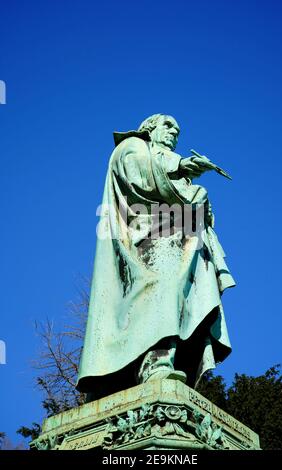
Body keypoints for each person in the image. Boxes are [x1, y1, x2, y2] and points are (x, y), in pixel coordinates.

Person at [76, 114, 235, 400]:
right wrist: (181, 166)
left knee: (182, 296)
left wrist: (201, 203)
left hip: (177, 237)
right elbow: (139, 173)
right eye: (168, 125)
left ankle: (167, 360)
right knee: (162, 286)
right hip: (144, 241)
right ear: (150, 129)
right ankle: (154, 363)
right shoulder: (133, 147)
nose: (174, 132)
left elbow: (189, 205)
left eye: (178, 129)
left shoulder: (169, 164)